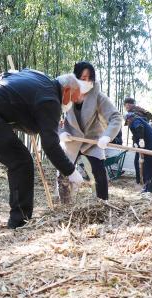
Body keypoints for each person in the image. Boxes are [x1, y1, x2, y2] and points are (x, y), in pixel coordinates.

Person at [0, 69, 88, 230]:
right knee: (21, 162)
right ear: (67, 90)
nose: (72, 104)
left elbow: (4, 76)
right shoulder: (51, 100)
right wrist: (71, 171)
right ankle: (19, 221)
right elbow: (50, 144)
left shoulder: (40, 78)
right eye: (74, 99)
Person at [58, 61, 123, 201]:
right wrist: (60, 132)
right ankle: (64, 204)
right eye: (82, 78)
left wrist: (107, 136)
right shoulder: (65, 91)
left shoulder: (98, 97)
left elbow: (116, 117)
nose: (86, 81)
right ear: (75, 77)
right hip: (72, 139)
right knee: (64, 173)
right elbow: (51, 116)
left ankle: (102, 204)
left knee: (99, 173)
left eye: (89, 78)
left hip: (92, 140)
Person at [125, 113, 152, 193]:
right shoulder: (139, 121)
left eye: (127, 122)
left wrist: (141, 139)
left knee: (151, 169)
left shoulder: (136, 120)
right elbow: (135, 135)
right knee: (147, 169)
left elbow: (139, 128)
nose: (127, 124)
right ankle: (148, 188)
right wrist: (136, 143)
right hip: (151, 146)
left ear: (129, 119)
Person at [123, 97, 152, 184]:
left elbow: (139, 127)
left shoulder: (134, 114)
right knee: (142, 160)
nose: (127, 106)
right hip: (143, 139)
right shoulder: (140, 111)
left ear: (131, 104)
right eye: (126, 104)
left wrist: (140, 140)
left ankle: (141, 180)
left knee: (139, 160)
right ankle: (143, 180)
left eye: (128, 104)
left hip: (142, 140)